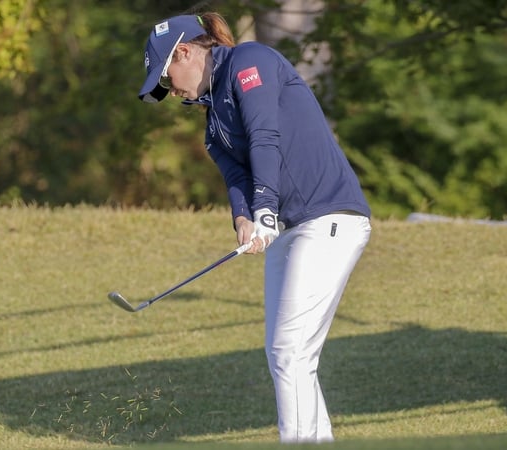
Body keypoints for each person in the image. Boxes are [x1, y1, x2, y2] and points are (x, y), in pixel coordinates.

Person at [137, 12, 372, 443]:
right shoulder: (212, 128)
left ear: (185, 51)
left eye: (166, 77)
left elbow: (265, 135)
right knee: (286, 353)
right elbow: (237, 180)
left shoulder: (250, 61)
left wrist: (263, 208)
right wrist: (245, 219)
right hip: (288, 227)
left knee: (291, 351)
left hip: (329, 218)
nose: (170, 90)